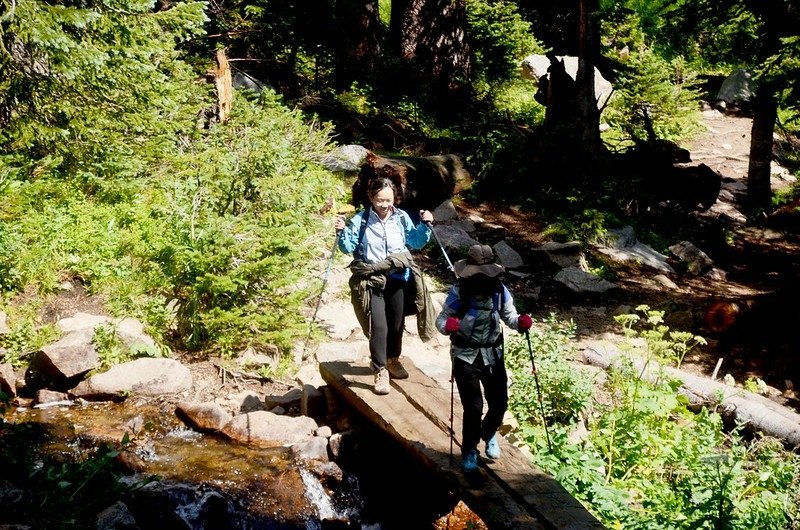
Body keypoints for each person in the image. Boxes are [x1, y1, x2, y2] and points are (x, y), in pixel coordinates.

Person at [435, 244, 533, 473]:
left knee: (500, 403)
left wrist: (520, 323)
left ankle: (488, 433)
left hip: (493, 355)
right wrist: (447, 327)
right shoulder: (460, 291)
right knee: (474, 406)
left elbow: (509, 316)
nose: (482, 277)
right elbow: (441, 320)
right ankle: (469, 450)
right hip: (465, 356)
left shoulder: (499, 290)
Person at [335, 177, 436, 395]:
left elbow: (416, 241)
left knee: (397, 324)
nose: (384, 204)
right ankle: (380, 369)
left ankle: (393, 359)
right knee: (379, 326)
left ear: (395, 198)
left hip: (398, 277)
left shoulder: (400, 218)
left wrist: (426, 224)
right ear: (371, 197)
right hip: (372, 280)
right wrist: (342, 231)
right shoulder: (361, 220)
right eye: (380, 200)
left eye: (388, 200)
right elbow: (347, 247)